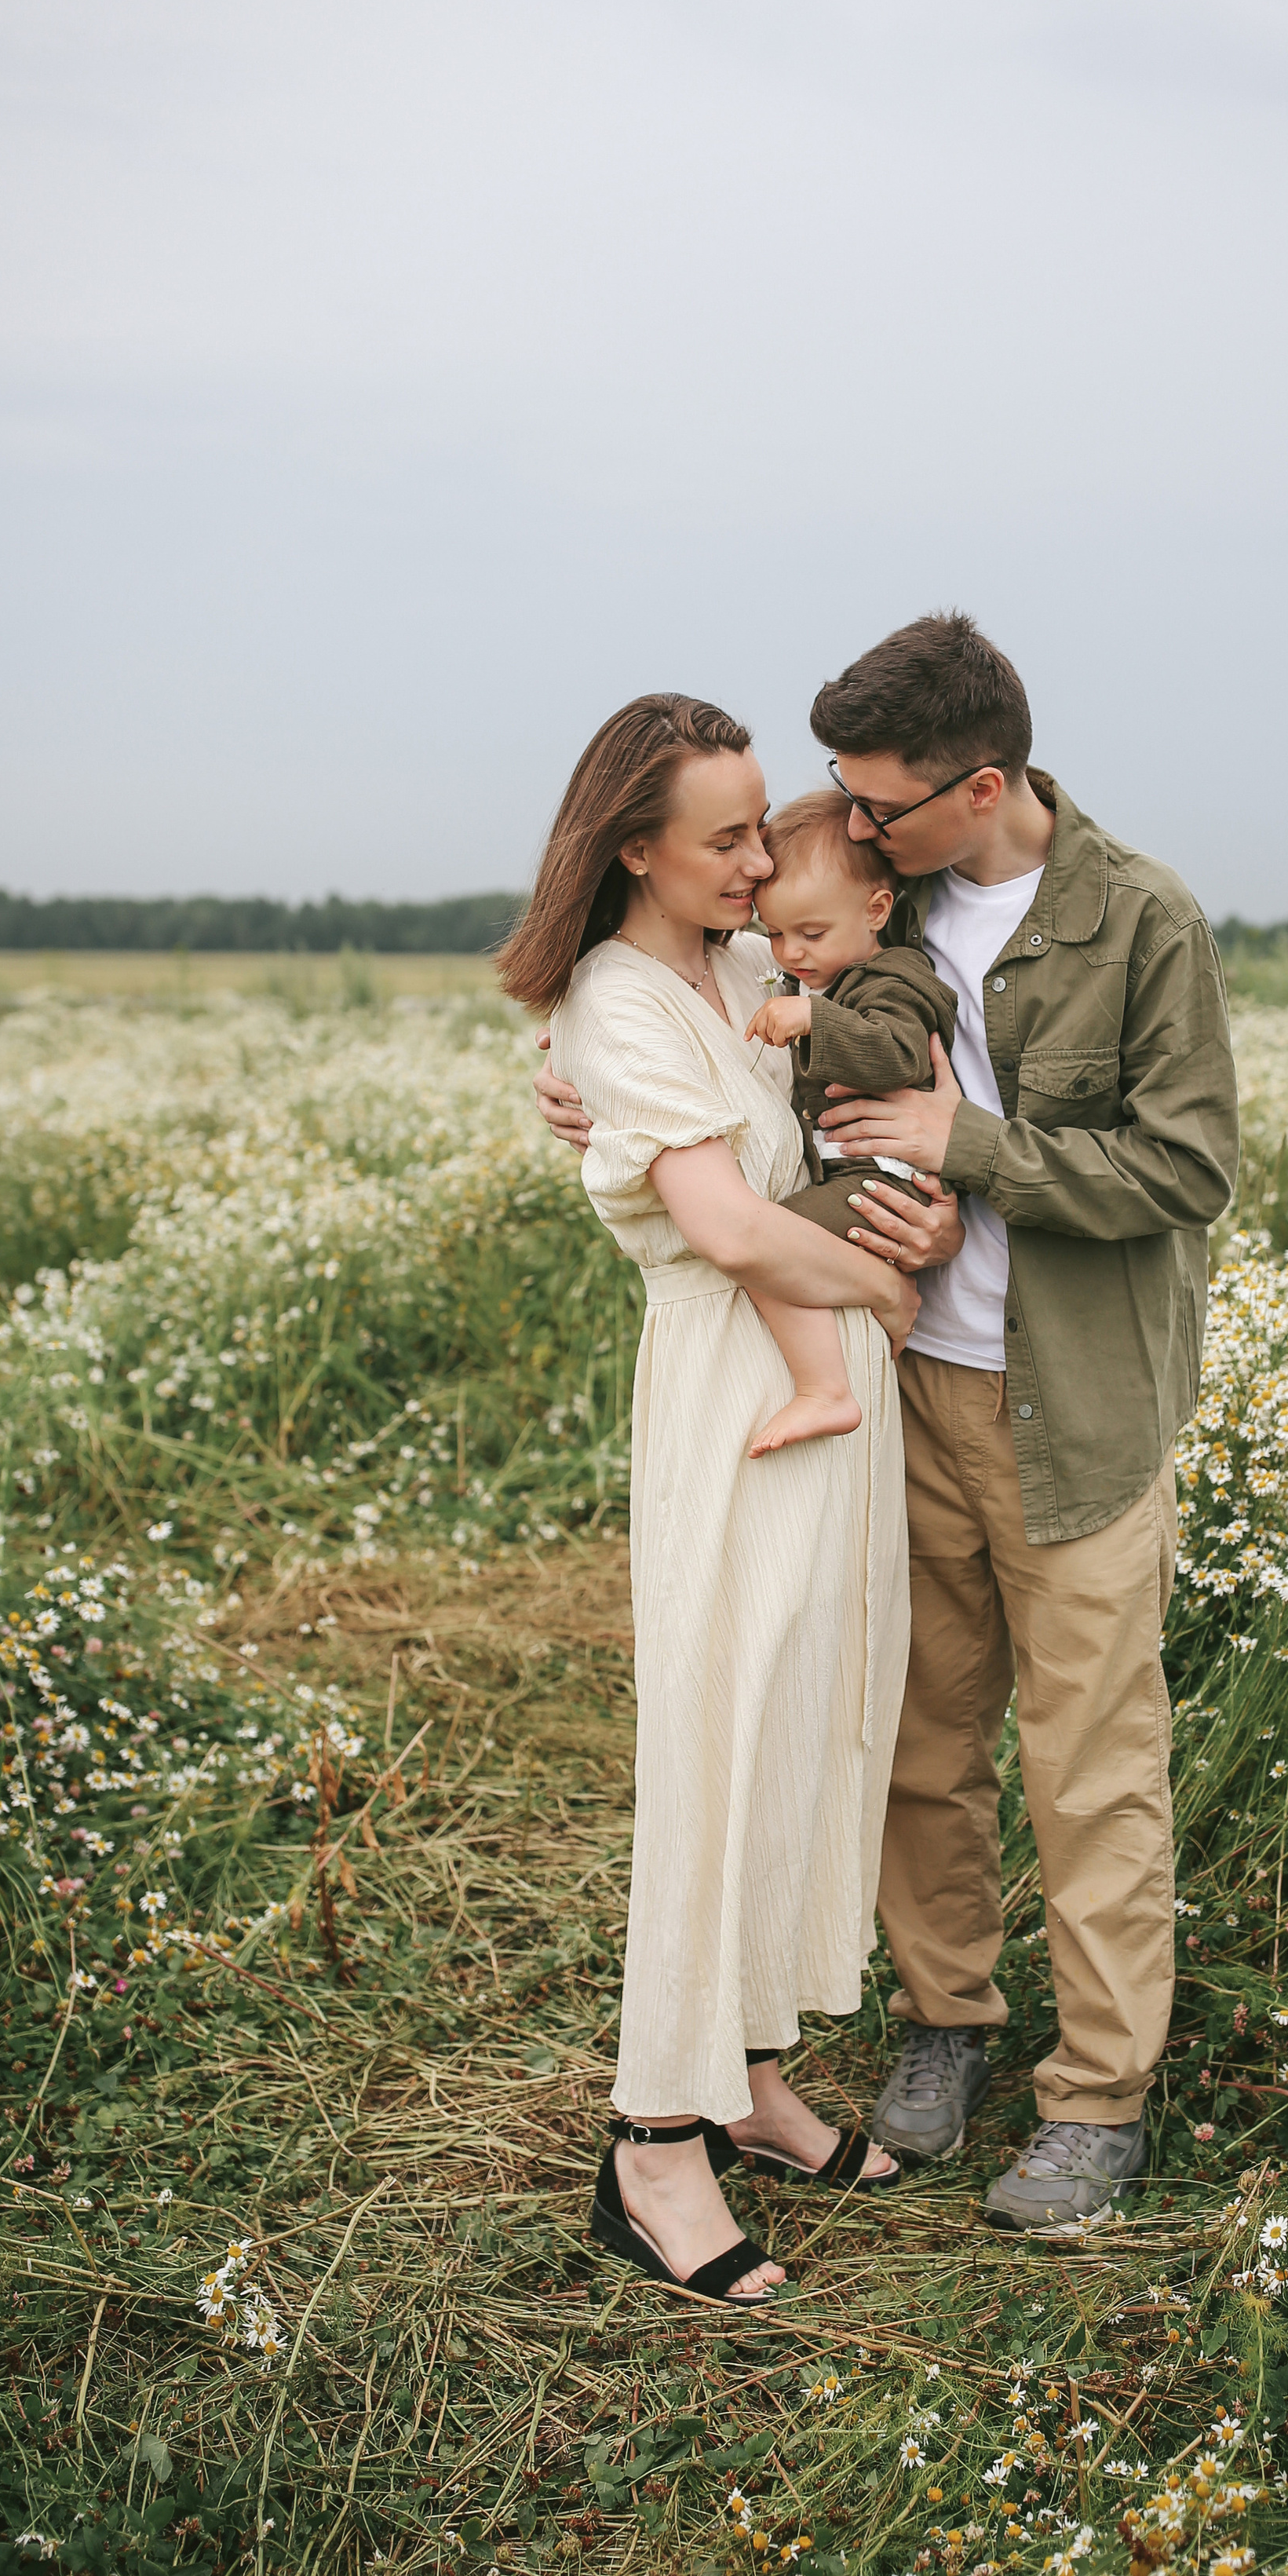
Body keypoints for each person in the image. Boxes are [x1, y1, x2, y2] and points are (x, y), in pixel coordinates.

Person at [538, 617, 1239, 2240]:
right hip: (901, 1399)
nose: (847, 827)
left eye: (876, 806)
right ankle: (943, 2028)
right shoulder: (855, 901)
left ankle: (1094, 2102)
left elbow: (1186, 1172)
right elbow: (679, 1026)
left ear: (976, 786)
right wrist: (570, 1083)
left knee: (1089, 1764)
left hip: (1073, 1402)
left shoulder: (1139, 923)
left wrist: (968, 1149)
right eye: (834, 804)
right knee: (912, 1747)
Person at [501, 694, 957, 2307]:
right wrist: (881, 1300)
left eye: (765, 828)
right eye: (726, 837)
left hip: (819, 1398)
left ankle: (750, 2077)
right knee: (711, 1753)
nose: (762, 861)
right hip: (731, 1400)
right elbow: (735, 1234)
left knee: (800, 1731)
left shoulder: (751, 967)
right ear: (634, 846)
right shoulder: (619, 1001)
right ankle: (651, 2143)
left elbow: (837, 1096)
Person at [737, 788, 960, 1460]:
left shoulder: (894, 979)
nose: (790, 953)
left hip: (888, 1182)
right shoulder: (825, 975)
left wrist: (814, 1020)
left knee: (768, 1243)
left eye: (810, 934)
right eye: (774, 934)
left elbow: (895, 1052)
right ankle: (846, 1369)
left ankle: (824, 1389)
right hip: (862, 1175)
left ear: (877, 910)